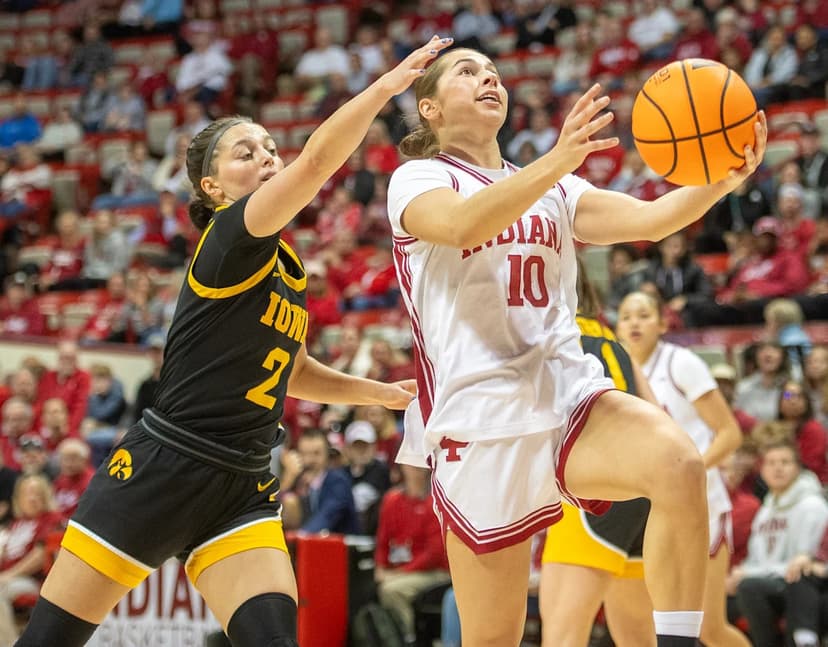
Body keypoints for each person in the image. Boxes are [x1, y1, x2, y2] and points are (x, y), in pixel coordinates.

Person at [12, 36, 453, 647]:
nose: (268, 157)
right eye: (246, 153)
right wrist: (384, 89)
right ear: (213, 189)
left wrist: (377, 393)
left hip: (242, 482)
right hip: (162, 467)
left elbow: (291, 371)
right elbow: (318, 163)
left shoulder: (286, 265)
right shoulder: (229, 236)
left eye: (271, 147)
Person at [385, 45, 767, 647]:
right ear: (428, 107)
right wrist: (558, 159)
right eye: (467, 70)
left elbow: (649, 219)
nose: (488, 76)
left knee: (678, 463)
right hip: (479, 419)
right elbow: (462, 226)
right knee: (493, 638)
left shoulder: (553, 187)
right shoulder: (419, 177)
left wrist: (723, 181)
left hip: (565, 394)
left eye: (493, 71)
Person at [617, 291, 750, 647]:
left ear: (662, 323)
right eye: (626, 316)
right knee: (647, 627)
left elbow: (729, 434)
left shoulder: (681, 363)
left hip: (700, 504)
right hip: (645, 511)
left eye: (643, 315)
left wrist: (686, 474)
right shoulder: (614, 372)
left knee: (707, 628)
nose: (633, 323)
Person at [539, 262, 657, 647]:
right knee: (637, 636)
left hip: (594, 494)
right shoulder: (613, 340)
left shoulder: (553, 337)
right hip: (644, 493)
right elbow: (658, 417)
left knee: (561, 635)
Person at [731, 440, 828, 647]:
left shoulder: (812, 505)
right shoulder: (766, 509)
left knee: (750, 587)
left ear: (798, 468)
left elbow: (803, 566)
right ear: (762, 470)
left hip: (799, 585)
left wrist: (749, 574)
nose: (778, 468)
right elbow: (755, 558)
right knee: (720, 600)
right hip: (770, 580)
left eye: (785, 462)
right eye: (771, 463)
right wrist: (740, 573)